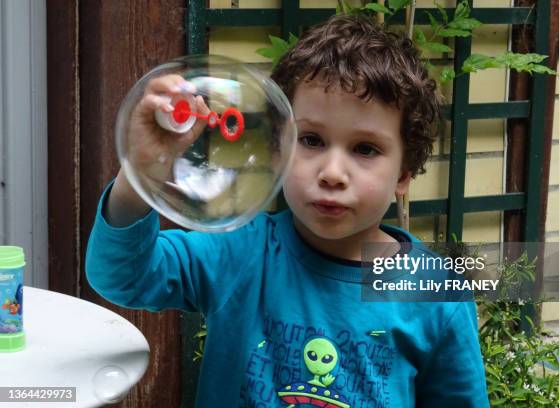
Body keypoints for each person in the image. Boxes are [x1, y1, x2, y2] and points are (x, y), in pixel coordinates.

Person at [86, 14, 489, 408]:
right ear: (279, 148)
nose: (332, 173)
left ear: (403, 174)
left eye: (365, 149)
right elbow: (122, 276)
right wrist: (142, 173)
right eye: (311, 140)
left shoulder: (436, 295)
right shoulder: (241, 252)